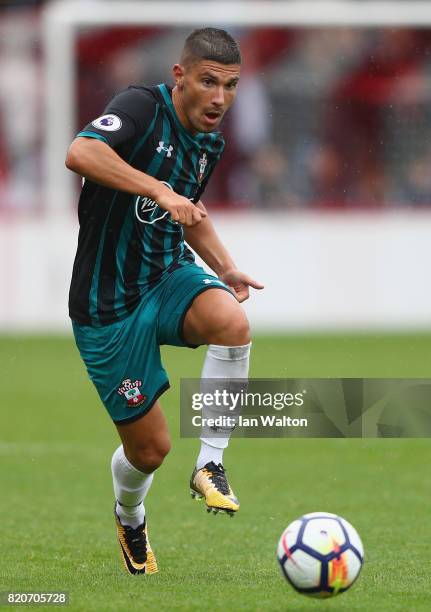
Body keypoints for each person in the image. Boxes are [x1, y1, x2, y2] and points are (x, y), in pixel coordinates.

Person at [65, 28, 263, 576]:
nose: (219, 98)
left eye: (230, 86)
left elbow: (188, 210)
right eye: (208, 82)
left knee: (232, 322)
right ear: (180, 77)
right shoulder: (139, 107)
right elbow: (80, 151)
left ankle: (212, 464)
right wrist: (155, 187)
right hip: (107, 308)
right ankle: (130, 515)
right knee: (150, 450)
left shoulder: (210, 143)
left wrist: (225, 267)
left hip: (166, 276)